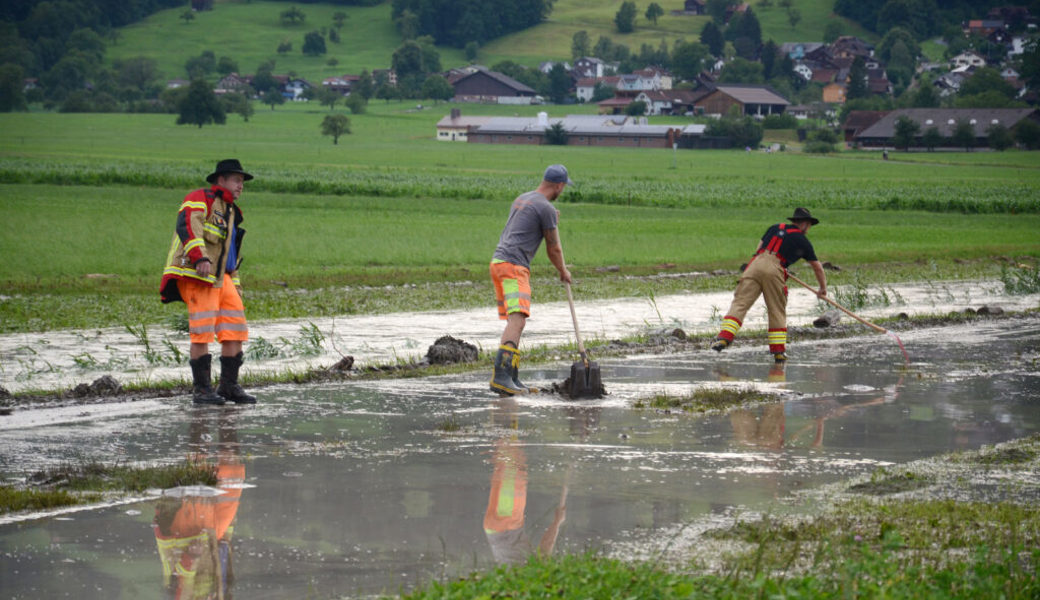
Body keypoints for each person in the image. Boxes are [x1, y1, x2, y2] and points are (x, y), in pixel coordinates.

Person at [160, 159, 256, 405]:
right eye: (236, 180)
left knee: (235, 330)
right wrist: (199, 257)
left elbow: (229, 252)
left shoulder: (231, 211)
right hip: (197, 274)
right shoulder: (200, 198)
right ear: (221, 180)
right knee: (202, 333)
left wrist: (235, 282)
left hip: (223, 278)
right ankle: (202, 390)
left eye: (242, 182)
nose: (241, 186)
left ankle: (228, 387)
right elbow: (188, 225)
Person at [489, 164, 574, 395]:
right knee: (518, 320)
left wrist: (551, 219)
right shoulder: (545, 207)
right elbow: (553, 248)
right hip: (514, 266)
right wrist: (563, 271)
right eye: (563, 187)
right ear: (559, 185)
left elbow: (528, 224)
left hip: (499, 262)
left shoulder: (524, 198)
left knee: (515, 320)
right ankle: (502, 377)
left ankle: (512, 377)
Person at [711, 207, 827, 363]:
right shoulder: (803, 241)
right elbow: (817, 268)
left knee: (740, 303)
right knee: (776, 309)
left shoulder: (775, 228)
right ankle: (778, 352)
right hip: (775, 268)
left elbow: (759, 248)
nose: (809, 229)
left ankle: (724, 338)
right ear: (805, 224)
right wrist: (822, 289)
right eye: (810, 225)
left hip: (755, 265)